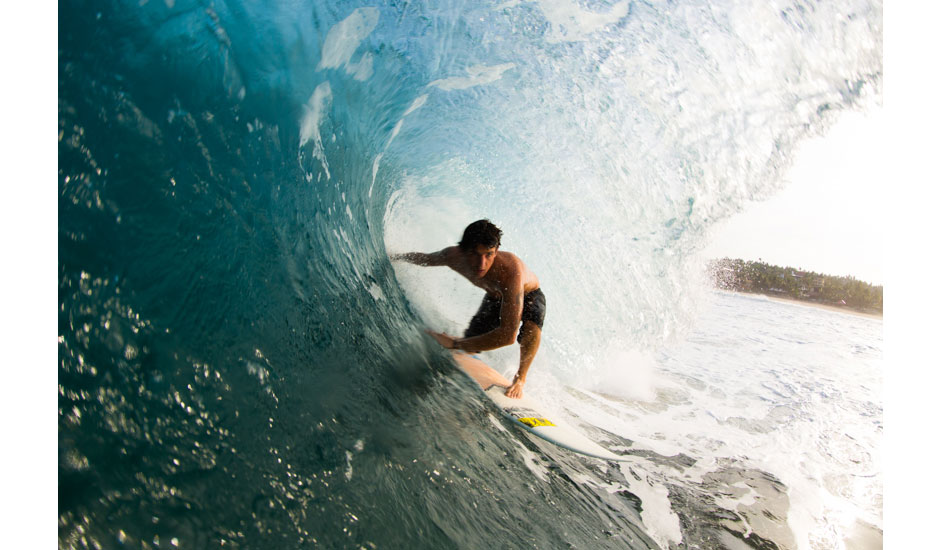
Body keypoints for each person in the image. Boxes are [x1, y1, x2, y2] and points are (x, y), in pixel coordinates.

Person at [390, 219, 546, 399]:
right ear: (463, 250)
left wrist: (455, 343)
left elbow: (508, 336)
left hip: (529, 295)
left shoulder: (511, 271)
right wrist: (395, 257)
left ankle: (520, 379)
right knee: (470, 345)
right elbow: (425, 259)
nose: (482, 264)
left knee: (531, 323)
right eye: (475, 254)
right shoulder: (452, 256)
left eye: (489, 254)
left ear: (496, 251)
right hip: (495, 297)